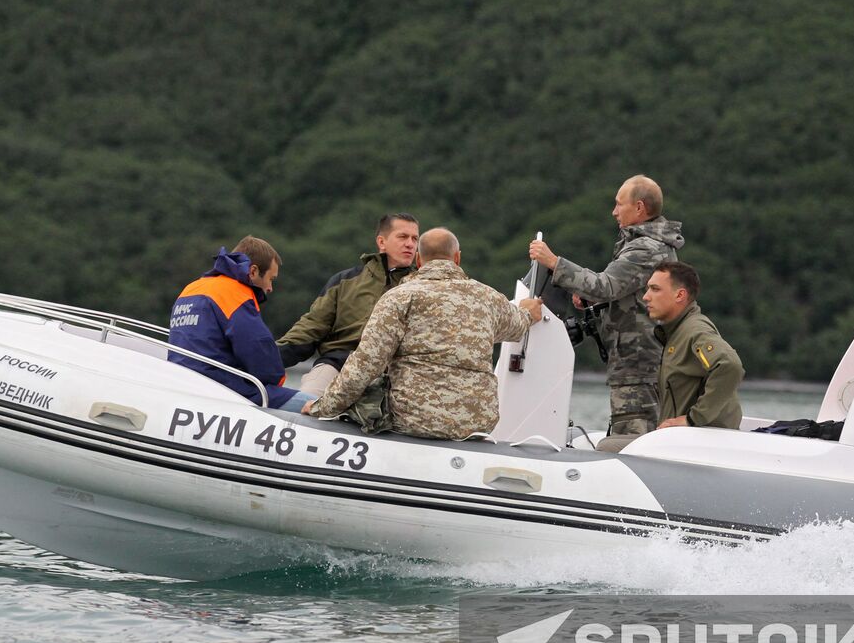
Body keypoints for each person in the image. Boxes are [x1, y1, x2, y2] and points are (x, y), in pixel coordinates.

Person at [303, 228, 544, 440]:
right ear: (457, 258)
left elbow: (366, 364)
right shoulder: (489, 298)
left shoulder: (400, 297)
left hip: (413, 420)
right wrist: (527, 311)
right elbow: (518, 325)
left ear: (418, 260)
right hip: (476, 423)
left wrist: (322, 408)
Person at [527, 174, 684, 452]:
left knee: (633, 443)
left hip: (638, 363)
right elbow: (623, 292)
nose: (614, 211)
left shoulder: (645, 249)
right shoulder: (643, 244)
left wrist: (554, 262)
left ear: (638, 208)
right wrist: (590, 297)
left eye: (618, 204)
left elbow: (607, 285)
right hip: (635, 359)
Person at [277, 213, 421, 397]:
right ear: (381, 242)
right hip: (338, 365)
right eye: (402, 237)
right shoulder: (344, 281)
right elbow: (310, 329)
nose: (410, 244)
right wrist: (268, 357)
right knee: (306, 402)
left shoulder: (421, 288)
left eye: (415, 239)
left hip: (393, 375)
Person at [168, 236, 314, 411]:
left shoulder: (191, 288)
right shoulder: (234, 294)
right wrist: (276, 383)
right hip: (223, 386)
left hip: (183, 382)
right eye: (271, 279)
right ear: (253, 271)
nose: (270, 288)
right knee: (318, 405)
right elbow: (258, 351)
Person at [642, 260, 744, 430]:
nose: (646, 296)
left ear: (680, 295)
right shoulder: (676, 332)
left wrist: (693, 419)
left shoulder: (694, 330)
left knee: (605, 447)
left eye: (655, 289)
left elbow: (730, 366)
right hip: (679, 438)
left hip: (700, 441)